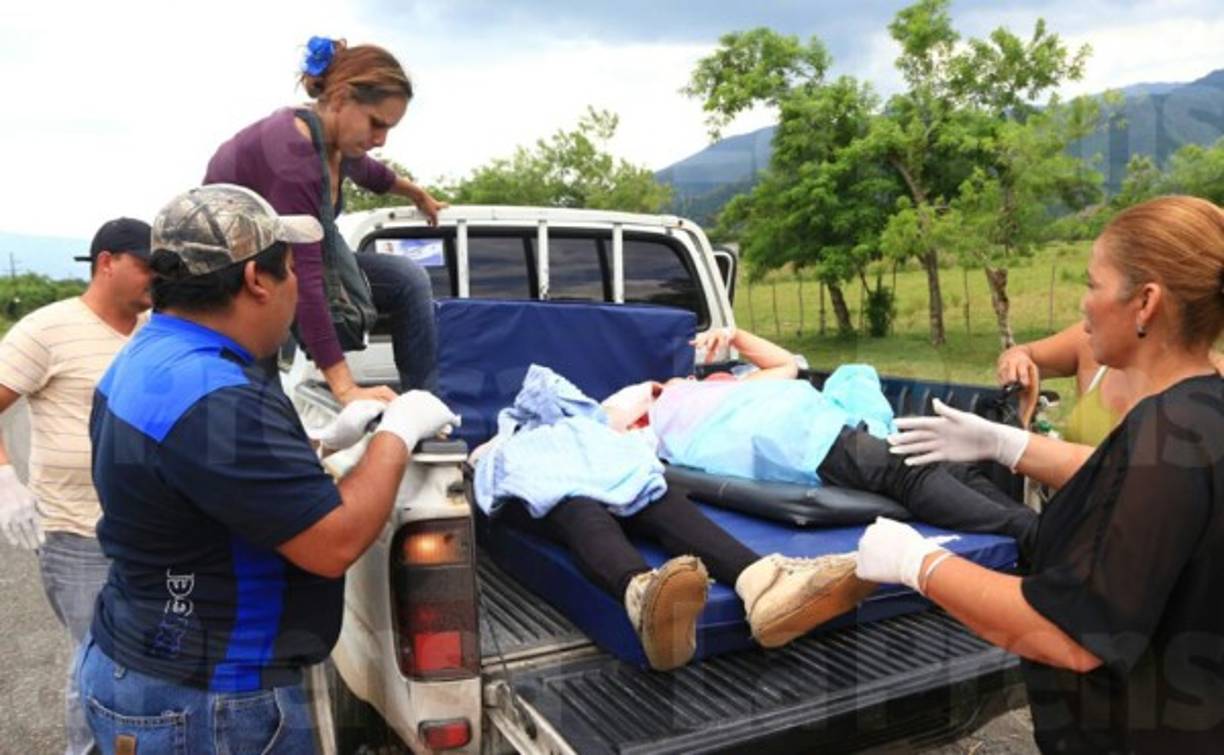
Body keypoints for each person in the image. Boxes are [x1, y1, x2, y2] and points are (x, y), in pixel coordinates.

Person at [76, 184, 458, 755]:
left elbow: (201, 475)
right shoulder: (220, 397)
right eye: (292, 269)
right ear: (257, 279)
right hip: (208, 702)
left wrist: (322, 444)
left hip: (136, 660)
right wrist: (398, 432)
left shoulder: (148, 354)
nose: (298, 285)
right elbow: (333, 543)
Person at [869, 195, 1224, 752]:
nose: (1083, 305)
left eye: (1093, 284)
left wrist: (917, 564)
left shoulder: (1164, 431)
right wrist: (1006, 442)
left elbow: (1073, 634)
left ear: (1146, 303)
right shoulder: (1200, 412)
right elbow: (1126, 488)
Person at [476, 364, 876, 672]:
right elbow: (601, 415)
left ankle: (765, 588)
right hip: (548, 463)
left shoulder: (667, 405)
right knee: (575, 502)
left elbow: (618, 420)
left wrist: (652, 402)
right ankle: (646, 596)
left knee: (652, 493)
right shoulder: (520, 431)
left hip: (614, 459)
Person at [205, 37, 445, 402]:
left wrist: (418, 195)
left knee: (406, 279)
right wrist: (344, 386)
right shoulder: (294, 158)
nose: (381, 139)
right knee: (264, 392)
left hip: (279, 266)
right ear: (342, 98)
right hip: (233, 282)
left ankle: (422, 403)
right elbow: (305, 279)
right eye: (376, 124)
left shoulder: (336, 141)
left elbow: (373, 174)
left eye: (389, 129)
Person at [0, 217, 152, 755]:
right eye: (146, 266)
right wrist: (4, 477)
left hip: (150, 532)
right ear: (107, 262)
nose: (156, 278)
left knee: (147, 663)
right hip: (78, 535)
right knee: (98, 663)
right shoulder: (47, 330)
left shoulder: (156, 330)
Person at [996, 317, 1224, 446]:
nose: (1086, 303)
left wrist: (1019, 450)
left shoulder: (1212, 382)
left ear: (1147, 298)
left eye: (1096, 286)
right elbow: (1024, 353)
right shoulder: (1090, 340)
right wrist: (1017, 360)